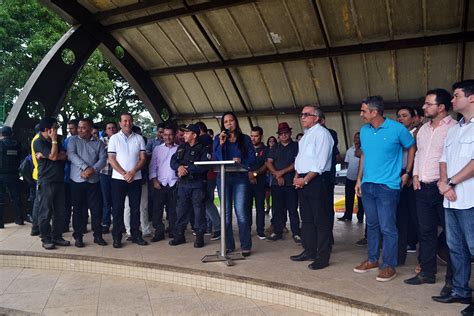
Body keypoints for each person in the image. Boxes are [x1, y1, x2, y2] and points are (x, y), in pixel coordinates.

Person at [353, 96, 414, 282]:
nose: (361, 114)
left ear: (374, 112)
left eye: (364, 111)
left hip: (388, 186)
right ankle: (372, 260)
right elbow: (364, 156)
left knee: (388, 227)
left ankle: (389, 265)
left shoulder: (397, 129)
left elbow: (411, 147)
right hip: (368, 184)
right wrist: (359, 179)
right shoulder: (364, 131)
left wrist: (408, 172)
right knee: (372, 225)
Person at [404, 89, 456, 290]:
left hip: (443, 188)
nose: (424, 107)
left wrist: (447, 183)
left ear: (441, 107)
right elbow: (418, 155)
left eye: (428, 104)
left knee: (451, 236)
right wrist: (415, 175)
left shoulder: (453, 129)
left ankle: (453, 280)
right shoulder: (423, 130)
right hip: (422, 188)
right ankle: (427, 273)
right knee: (425, 232)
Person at [431, 80, 474, 316]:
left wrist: (451, 182)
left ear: (472, 97)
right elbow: (443, 159)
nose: (452, 100)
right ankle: (460, 291)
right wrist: (443, 182)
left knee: (473, 248)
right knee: (456, 248)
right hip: (451, 198)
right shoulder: (455, 128)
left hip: (469, 198)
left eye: (456, 96)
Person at [291, 105, 333, 270]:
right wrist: (296, 176)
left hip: (315, 180)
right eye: (302, 114)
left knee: (321, 220)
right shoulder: (306, 136)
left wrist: (305, 180)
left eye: (306, 115)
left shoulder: (323, 134)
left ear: (316, 117)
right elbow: (301, 159)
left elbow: (319, 164)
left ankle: (323, 256)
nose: (303, 117)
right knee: (307, 219)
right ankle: (309, 251)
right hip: (302, 179)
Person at [213, 112, 255, 257]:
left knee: (241, 212)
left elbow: (252, 159)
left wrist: (241, 162)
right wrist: (221, 144)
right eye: (226, 122)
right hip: (223, 178)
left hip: (240, 179)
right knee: (225, 214)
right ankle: (229, 245)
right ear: (223, 125)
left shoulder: (245, 139)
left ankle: (245, 245)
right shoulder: (218, 139)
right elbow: (216, 158)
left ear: (236, 122)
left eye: (231, 121)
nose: (229, 123)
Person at [107, 113, 148, 248]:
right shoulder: (114, 138)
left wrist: (133, 172)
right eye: (124, 121)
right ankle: (117, 237)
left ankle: (136, 235)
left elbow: (143, 158)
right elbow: (111, 159)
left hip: (135, 178)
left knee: (135, 208)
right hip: (118, 179)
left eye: (130, 121)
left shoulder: (139, 138)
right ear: (120, 123)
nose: (127, 123)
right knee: (118, 209)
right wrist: (125, 173)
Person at [67, 118, 107, 247]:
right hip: (77, 180)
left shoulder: (99, 143)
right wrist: (85, 168)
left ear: (90, 129)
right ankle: (78, 236)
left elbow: (103, 159)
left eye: (83, 128)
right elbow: (72, 155)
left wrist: (93, 170)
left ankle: (98, 235)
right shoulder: (73, 140)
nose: (80, 130)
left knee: (96, 210)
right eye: (79, 127)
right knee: (78, 209)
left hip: (93, 181)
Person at [169, 124, 209, 248]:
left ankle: (199, 237)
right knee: (181, 211)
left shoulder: (203, 149)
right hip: (183, 185)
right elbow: (173, 161)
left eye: (187, 133)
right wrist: (179, 167)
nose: (184, 135)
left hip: (197, 185)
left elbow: (204, 166)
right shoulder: (182, 147)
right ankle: (179, 235)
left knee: (198, 212)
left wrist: (187, 169)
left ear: (194, 135)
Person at [34, 117, 70, 250]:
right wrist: (54, 144)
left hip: (59, 180)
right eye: (55, 127)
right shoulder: (38, 142)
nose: (56, 129)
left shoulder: (58, 141)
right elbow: (55, 156)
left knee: (60, 210)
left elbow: (64, 156)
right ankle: (46, 238)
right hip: (46, 181)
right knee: (46, 211)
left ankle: (57, 236)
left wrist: (49, 155)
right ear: (47, 129)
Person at [266, 122, 301, 243]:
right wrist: (277, 174)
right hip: (277, 183)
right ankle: (277, 231)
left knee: (292, 209)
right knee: (277, 208)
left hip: (291, 182)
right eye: (281, 134)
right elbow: (269, 162)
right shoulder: (274, 147)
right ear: (278, 136)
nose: (284, 135)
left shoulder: (296, 146)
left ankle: (296, 233)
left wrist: (281, 172)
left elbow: (296, 163)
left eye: (286, 133)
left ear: (290, 133)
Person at [395, 106, 417, 264]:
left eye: (404, 115)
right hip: (396, 176)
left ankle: (424, 258)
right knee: (399, 217)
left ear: (414, 118)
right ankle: (399, 254)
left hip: (413, 176)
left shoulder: (418, 134)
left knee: (417, 218)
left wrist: (410, 174)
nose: (400, 118)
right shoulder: (395, 133)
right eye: (398, 116)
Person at [149, 125, 178, 242]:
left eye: (170, 134)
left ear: (174, 135)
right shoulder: (157, 149)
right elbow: (152, 166)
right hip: (160, 184)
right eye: (165, 135)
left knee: (173, 210)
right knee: (157, 210)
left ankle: (173, 231)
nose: (168, 137)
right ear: (162, 135)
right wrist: (154, 180)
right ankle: (159, 232)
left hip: (174, 183)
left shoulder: (179, 149)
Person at [196, 121, 221, 241]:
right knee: (206, 201)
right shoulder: (210, 140)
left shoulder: (204, 139)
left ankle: (218, 227)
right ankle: (209, 227)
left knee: (206, 201)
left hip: (209, 175)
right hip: (210, 175)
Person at [338, 132, 364, 223]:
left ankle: (360, 217)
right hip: (350, 177)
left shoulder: (363, 150)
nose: (356, 139)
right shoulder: (350, 150)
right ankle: (347, 215)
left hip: (360, 178)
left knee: (360, 199)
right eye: (355, 137)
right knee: (349, 197)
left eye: (358, 137)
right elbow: (348, 163)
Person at [0, 126, 23, 228]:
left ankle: (1, 223)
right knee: (17, 197)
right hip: (14, 175)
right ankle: (20, 219)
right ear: (11, 134)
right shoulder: (17, 144)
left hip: (1, 175)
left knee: (1, 199)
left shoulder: (0, 144)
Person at [248, 126, 269, 240]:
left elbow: (267, 165)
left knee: (260, 207)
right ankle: (247, 228)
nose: (253, 138)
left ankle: (260, 230)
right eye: (252, 136)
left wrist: (254, 174)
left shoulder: (265, 150)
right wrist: (249, 175)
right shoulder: (246, 149)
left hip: (260, 182)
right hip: (247, 182)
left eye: (256, 136)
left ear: (261, 136)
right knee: (247, 207)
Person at [99, 121, 118, 233]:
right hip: (105, 174)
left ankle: (117, 223)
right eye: (109, 128)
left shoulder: (120, 140)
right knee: (106, 200)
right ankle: (106, 223)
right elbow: (101, 156)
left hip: (117, 174)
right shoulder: (102, 141)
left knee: (117, 200)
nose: (111, 130)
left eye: (113, 128)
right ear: (106, 131)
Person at [63, 119, 78, 232]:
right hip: (68, 176)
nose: (70, 131)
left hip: (80, 176)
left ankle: (79, 225)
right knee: (67, 203)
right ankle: (65, 224)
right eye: (69, 129)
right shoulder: (67, 140)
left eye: (72, 128)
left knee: (79, 203)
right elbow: (64, 155)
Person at [264, 136, 277, 215]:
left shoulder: (277, 150)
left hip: (274, 173)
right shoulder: (266, 151)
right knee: (267, 191)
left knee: (274, 191)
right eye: (270, 141)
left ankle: (273, 206)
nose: (271, 143)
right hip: (267, 173)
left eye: (273, 141)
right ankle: (267, 205)